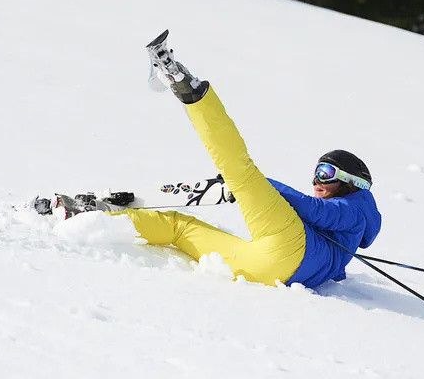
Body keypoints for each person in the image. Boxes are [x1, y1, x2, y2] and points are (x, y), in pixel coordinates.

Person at [104, 32, 381, 288]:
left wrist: (256, 185)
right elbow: (334, 266)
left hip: (292, 244)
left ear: (350, 182)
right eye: (317, 171)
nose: (316, 180)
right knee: (179, 229)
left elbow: (317, 212)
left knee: (240, 169)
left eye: (326, 171)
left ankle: (186, 85)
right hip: (266, 270)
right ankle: (102, 222)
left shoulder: (358, 207)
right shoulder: (347, 239)